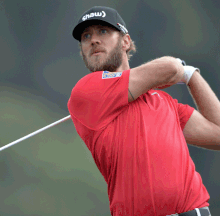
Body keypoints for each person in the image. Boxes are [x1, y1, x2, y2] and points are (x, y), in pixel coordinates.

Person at [67, 6, 219, 216]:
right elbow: (171, 68)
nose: (93, 40)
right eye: (86, 36)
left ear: (126, 41)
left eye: (103, 31)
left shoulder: (164, 101)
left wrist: (192, 76)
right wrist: (179, 70)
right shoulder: (86, 92)